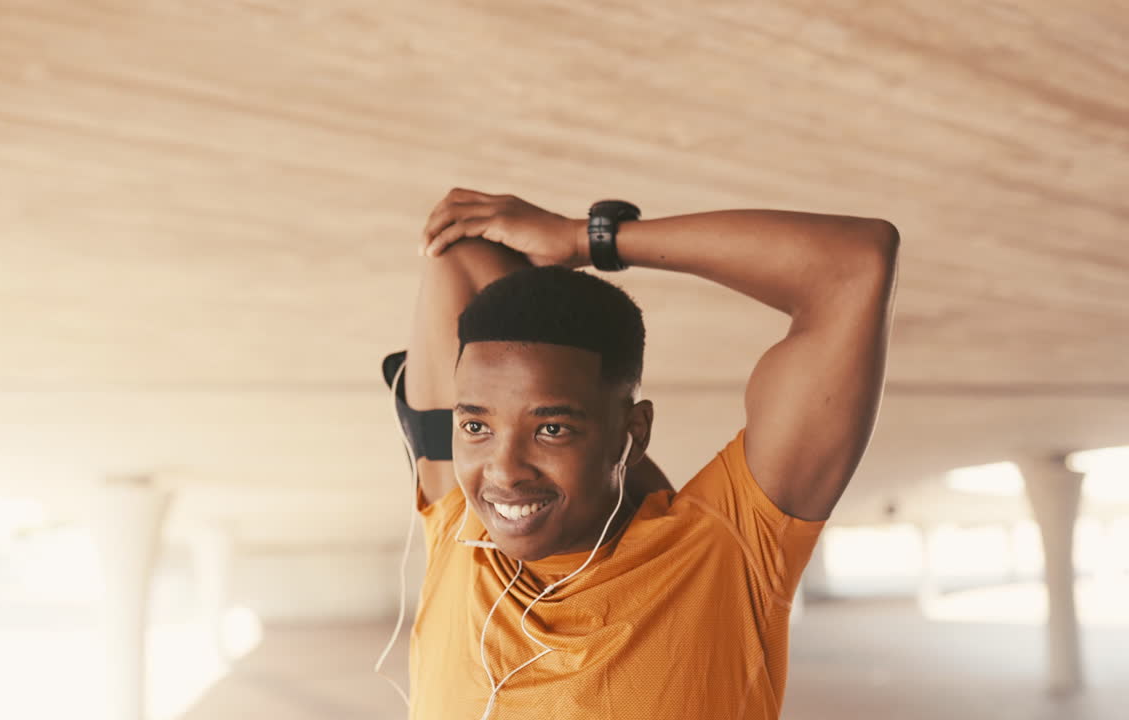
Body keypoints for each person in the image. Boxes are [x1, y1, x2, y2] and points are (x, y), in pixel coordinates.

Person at [379, 188, 899, 719]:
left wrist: (587, 241)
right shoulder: (459, 528)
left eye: (552, 428)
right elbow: (460, 251)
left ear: (634, 429)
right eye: (475, 425)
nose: (504, 471)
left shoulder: (726, 552)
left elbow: (853, 265)